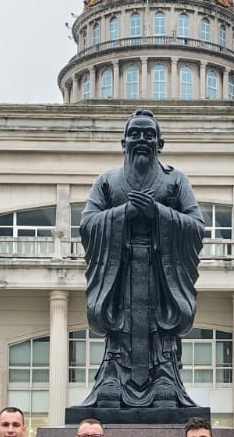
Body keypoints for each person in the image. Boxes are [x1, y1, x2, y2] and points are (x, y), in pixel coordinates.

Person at [76, 108, 205, 410]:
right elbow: (87, 223)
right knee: (120, 321)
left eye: (149, 134)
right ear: (124, 142)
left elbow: (197, 225)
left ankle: (164, 376)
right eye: (135, 133)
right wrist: (125, 214)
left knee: (160, 325)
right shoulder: (108, 181)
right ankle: (112, 376)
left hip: (161, 269)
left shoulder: (176, 181)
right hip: (119, 269)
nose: (142, 139)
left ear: (160, 143)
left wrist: (157, 213)